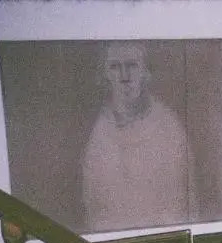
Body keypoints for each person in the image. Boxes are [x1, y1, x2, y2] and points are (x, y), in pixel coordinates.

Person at [81, 42, 193, 232]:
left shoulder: (169, 129)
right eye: (115, 67)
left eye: (132, 65)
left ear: (146, 73)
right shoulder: (98, 134)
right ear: (105, 74)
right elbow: (95, 209)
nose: (124, 77)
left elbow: (180, 207)